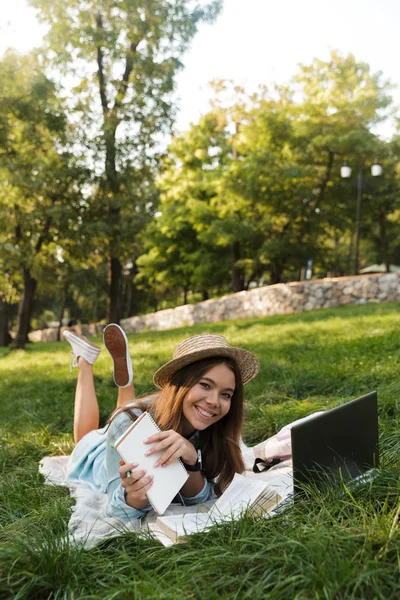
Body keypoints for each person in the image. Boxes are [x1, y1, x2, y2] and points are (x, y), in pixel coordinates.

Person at [63, 325, 260, 521]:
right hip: (97, 455)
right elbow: (118, 510)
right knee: (88, 435)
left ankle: (125, 385)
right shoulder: (125, 424)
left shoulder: (218, 426)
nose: (214, 401)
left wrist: (192, 462)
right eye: (205, 385)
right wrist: (135, 495)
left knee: (128, 417)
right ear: (181, 383)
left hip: (138, 418)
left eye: (226, 394)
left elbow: (202, 497)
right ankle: (85, 362)